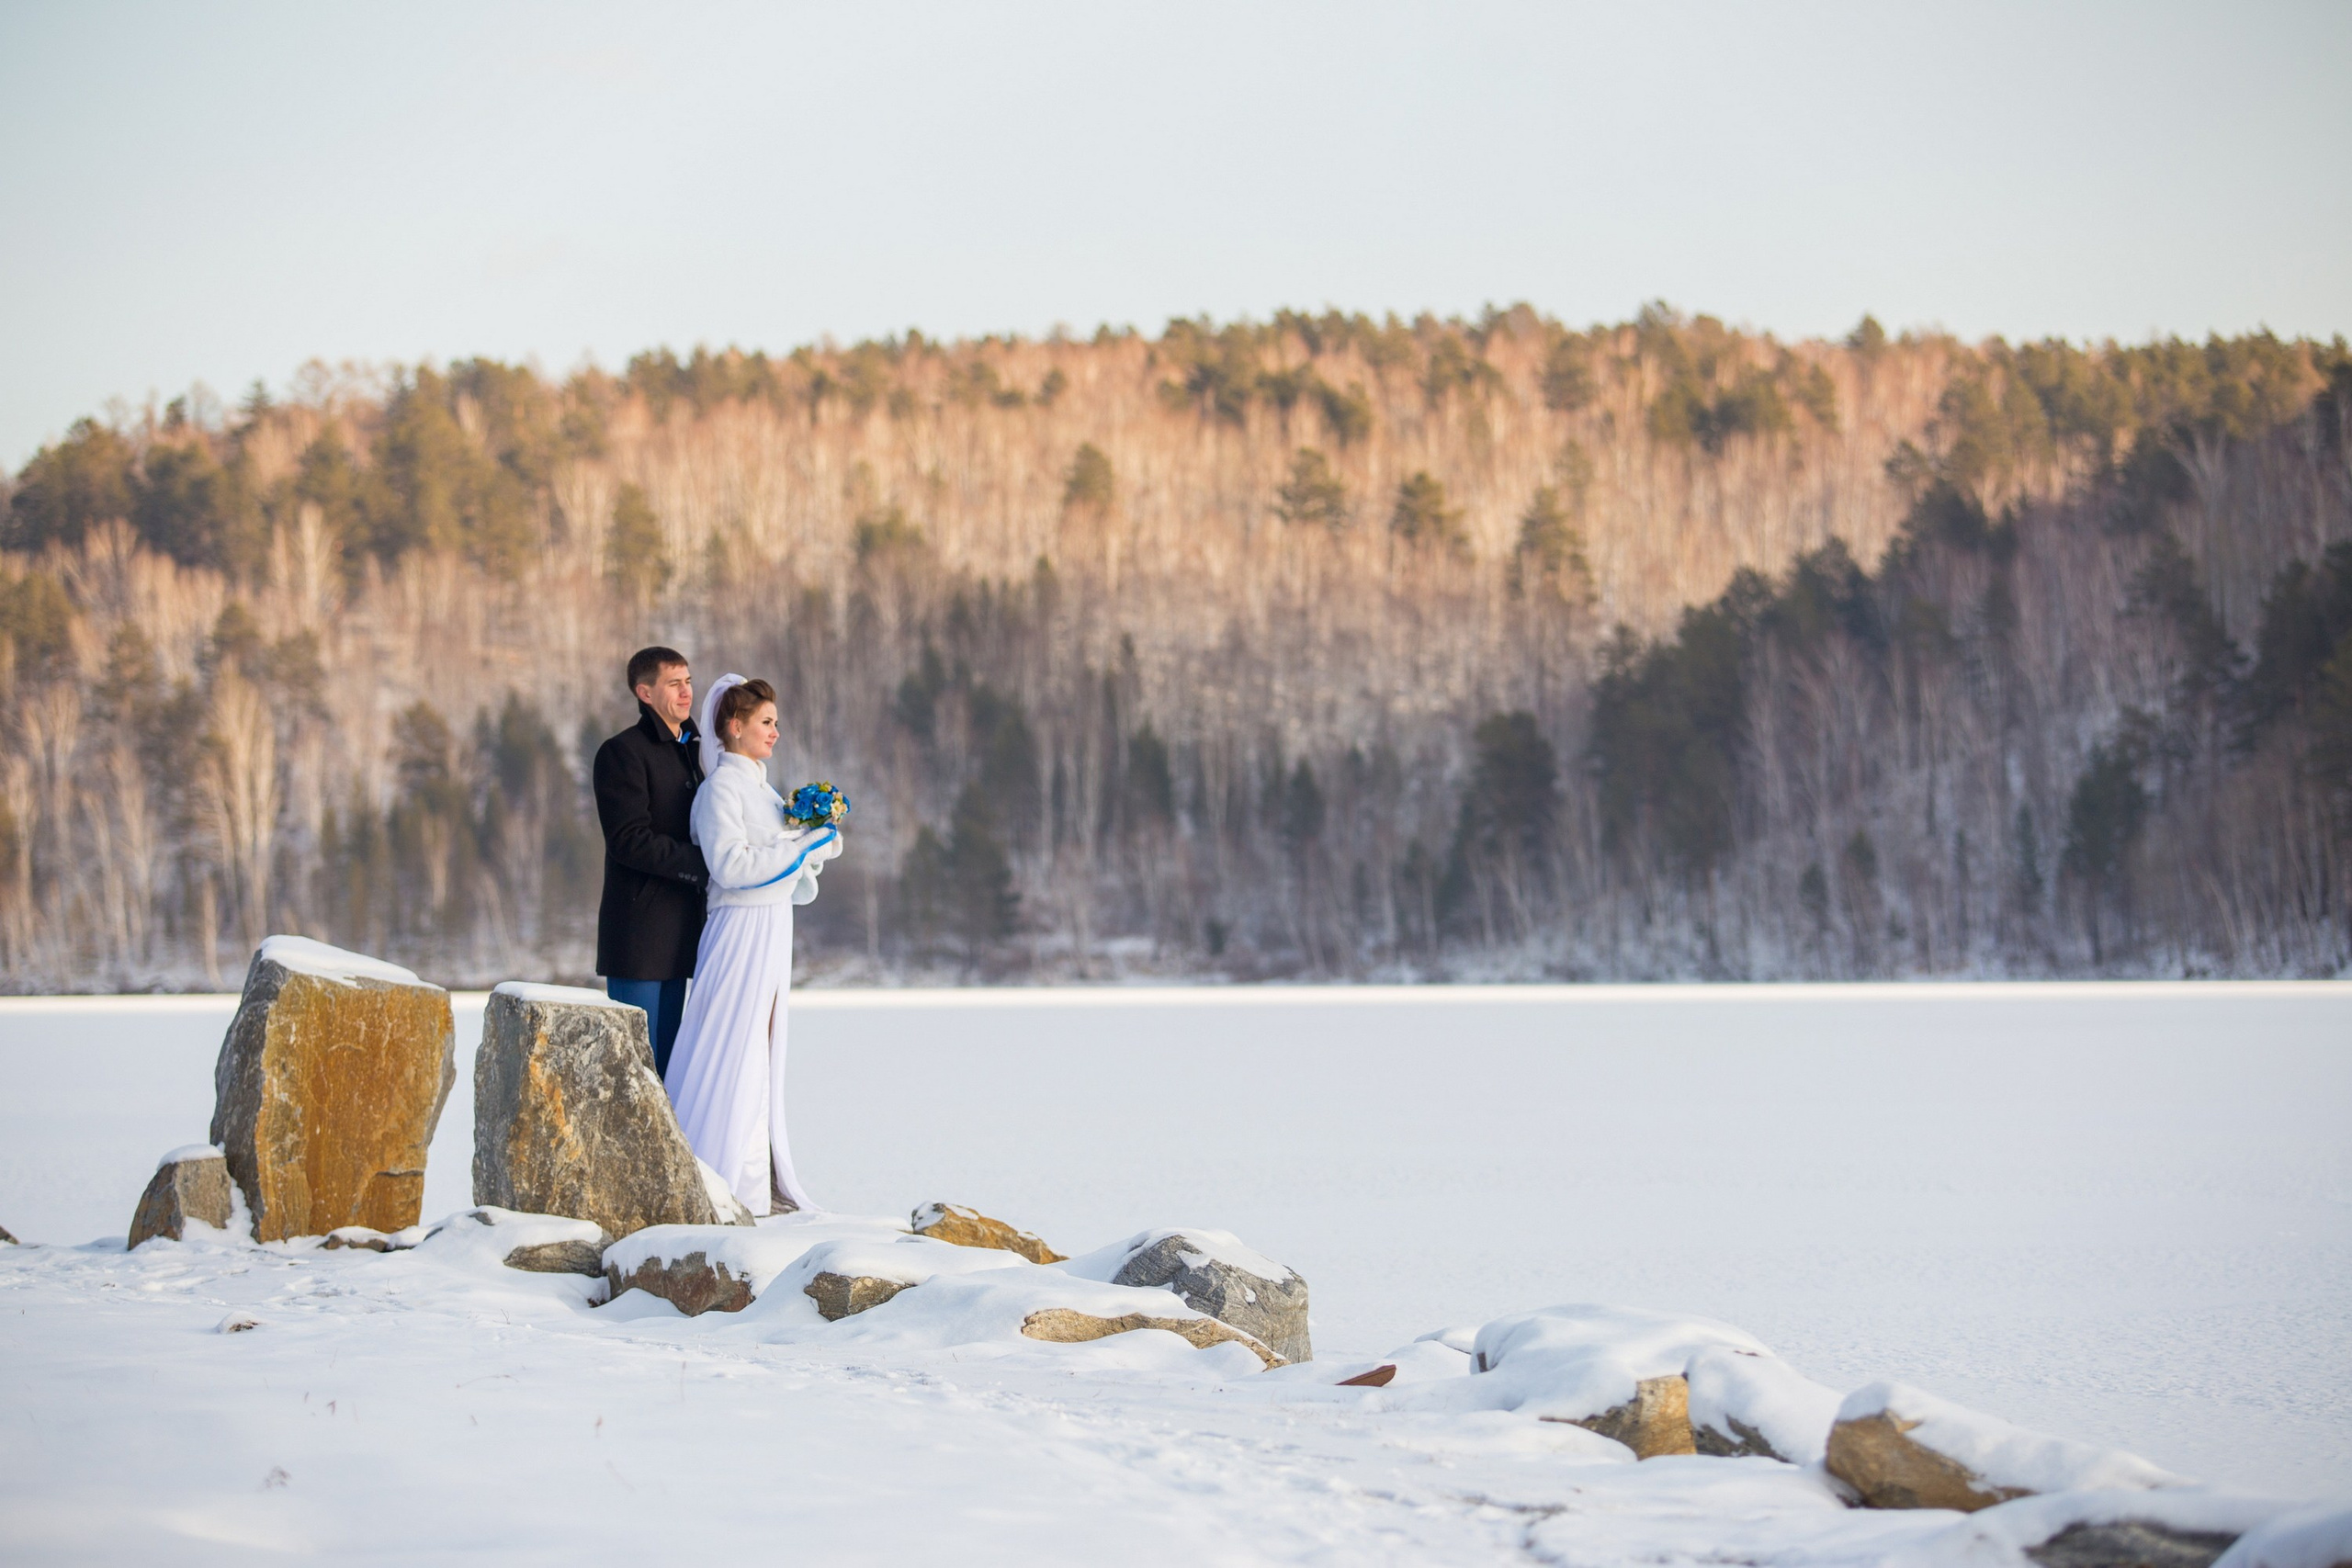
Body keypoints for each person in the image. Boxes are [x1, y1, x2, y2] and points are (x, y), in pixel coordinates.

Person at [662, 674, 842, 1215]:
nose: (776, 732)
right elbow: (732, 867)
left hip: (769, 929)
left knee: (761, 1049)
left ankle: (755, 1171)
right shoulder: (721, 789)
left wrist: (814, 844)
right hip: (739, 931)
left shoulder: (763, 790)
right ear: (734, 727)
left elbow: (779, 859)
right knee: (731, 1042)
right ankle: (717, 1170)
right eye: (766, 722)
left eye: (776, 722)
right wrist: (804, 843)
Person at [592, 647, 707, 1077]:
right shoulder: (622, 752)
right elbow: (628, 840)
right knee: (635, 1071)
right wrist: (704, 864)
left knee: (673, 1071)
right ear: (644, 692)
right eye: (673, 683)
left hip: (685, 932)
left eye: (689, 681)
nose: (686, 692)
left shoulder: (698, 752)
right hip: (639, 934)